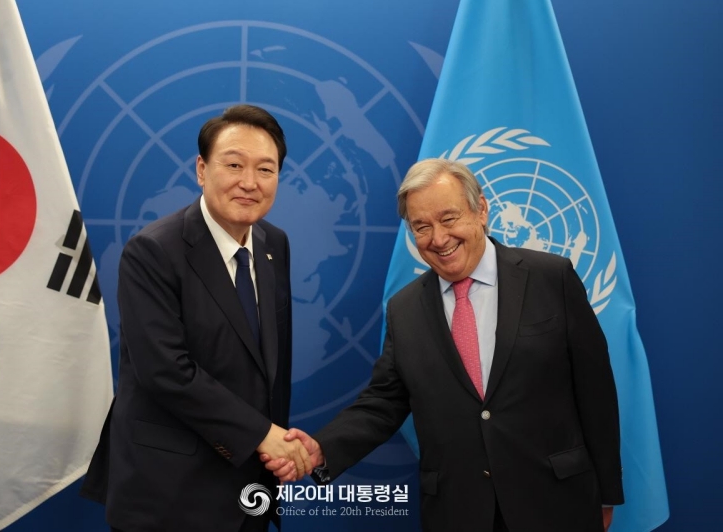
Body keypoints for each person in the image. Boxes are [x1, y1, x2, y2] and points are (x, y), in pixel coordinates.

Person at [264, 158, 624, 532]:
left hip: (558, 503)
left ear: (480, 210)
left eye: (449, 218)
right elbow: (383, 404)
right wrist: (322, 448)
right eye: (422, 226)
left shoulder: (552, 278)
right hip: (460, 511)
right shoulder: (404, 309)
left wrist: (607, 492)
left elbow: (596, 391)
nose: (437, 238)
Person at [81, 104, 310, 532]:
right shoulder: (153, 252)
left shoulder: (273, 243)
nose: (249, 182)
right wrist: (262, 434)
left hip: (250, 485)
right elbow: (166, 372)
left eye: (266, 169)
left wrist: (273, 446)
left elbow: (268, 367)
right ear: (202, 170)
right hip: (170, 493)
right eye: (234, 164)